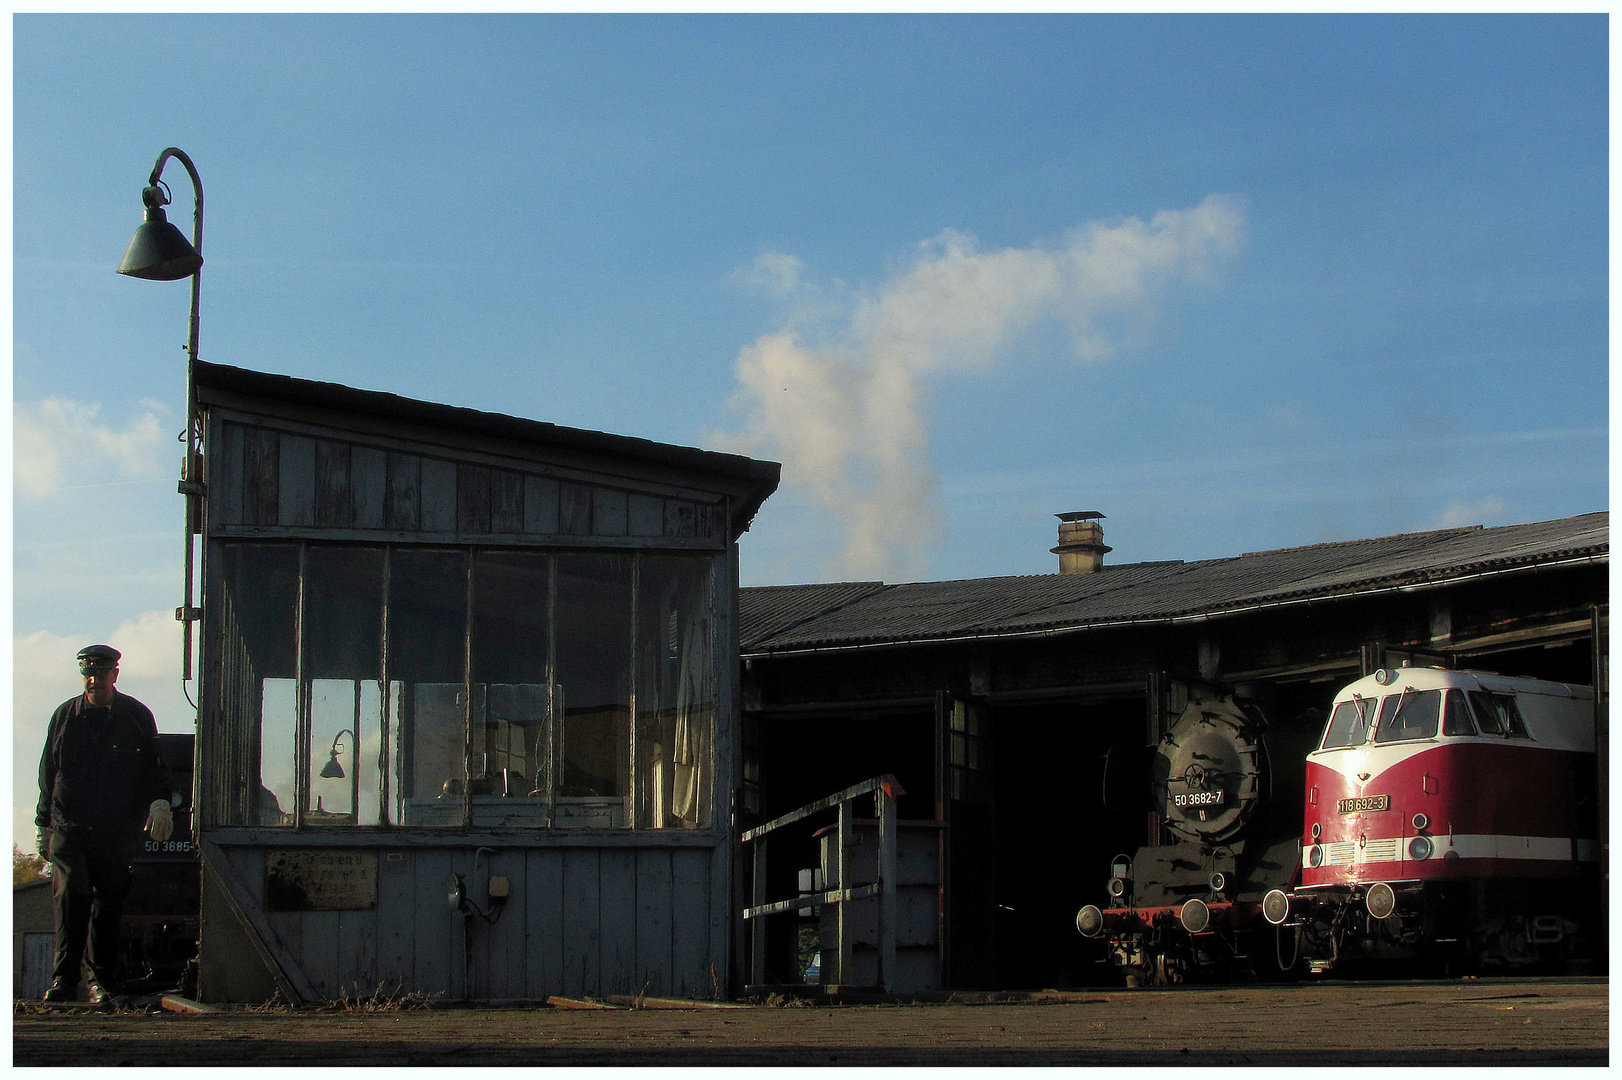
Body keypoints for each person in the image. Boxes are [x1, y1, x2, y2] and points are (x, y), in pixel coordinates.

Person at [35, 644, 174, 1003]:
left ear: (115, 674)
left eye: (100, 672)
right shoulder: (65, 717)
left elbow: (154, 769)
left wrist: (160, 804)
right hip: (71, 825)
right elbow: (48, 774)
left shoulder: (137, 718)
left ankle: (101, 983)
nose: (93, 679)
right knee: (71, 894)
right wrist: (43, 824)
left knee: (108, 904)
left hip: (116, 829)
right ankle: (65, 981)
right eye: (87, 673)